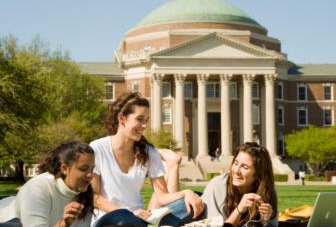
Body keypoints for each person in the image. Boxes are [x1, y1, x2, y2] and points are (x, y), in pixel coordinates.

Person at [90, 92, 204, 226]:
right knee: (126, 221)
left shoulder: (149, 152)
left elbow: (162, 196)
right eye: (139, 119)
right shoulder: (97, 148)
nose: (144, 126)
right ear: (122, 119)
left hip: (138, 219)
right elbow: (94, 197)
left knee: (197, 201)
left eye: (146, 120)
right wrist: (128, 213)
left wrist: (187, 193)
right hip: (108, 219)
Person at [0, 141, 95, 227]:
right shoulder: (37, 189)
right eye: (83, 168)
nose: (90, 175)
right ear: (64, 169)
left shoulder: (86, 196)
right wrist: (63, 224)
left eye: (92, 169)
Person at [201, 142, 278, 227]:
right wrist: (239, 210)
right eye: (236, 163)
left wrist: (265, 221)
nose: (236, 170)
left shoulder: (266, 190)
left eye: (245, 167)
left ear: (258, 174)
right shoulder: (217, 186)